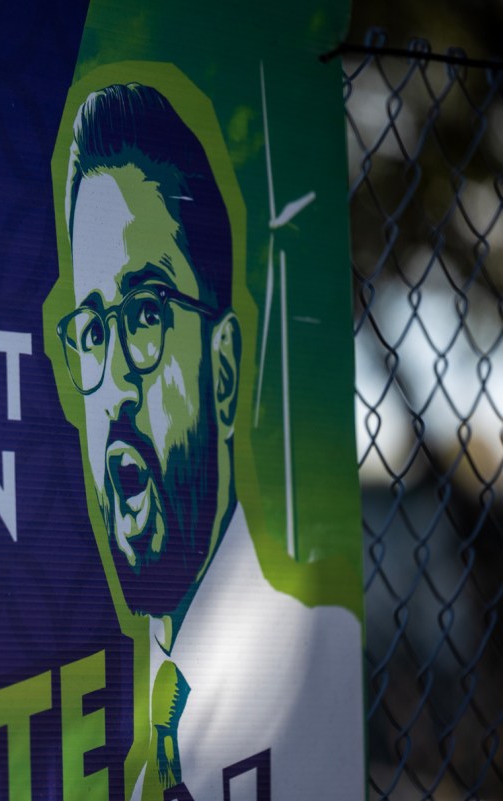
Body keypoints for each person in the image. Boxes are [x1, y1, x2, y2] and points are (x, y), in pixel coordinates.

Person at [47, 82, 363, 800]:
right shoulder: (134, 768)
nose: (116, 387)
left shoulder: (323, 651)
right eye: (93, 331)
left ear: (223, 370)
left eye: (146, 314)